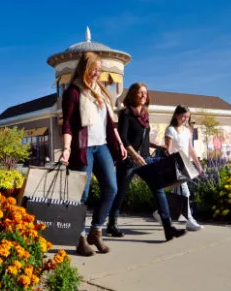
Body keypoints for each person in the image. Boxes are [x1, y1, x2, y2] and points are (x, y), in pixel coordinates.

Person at [60, 52, 127, 257]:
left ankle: (96, 230)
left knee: (111, 188)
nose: (97, 73)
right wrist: (66, 149)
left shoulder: (102, 92)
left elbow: (110, 122)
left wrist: (120, 143)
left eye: (99, 70)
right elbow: (68, 124)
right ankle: (80, 237)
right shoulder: (73, 91)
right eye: (94, 69)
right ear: (84, 68)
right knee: (83, 194)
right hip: (83, 147)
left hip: (102, 146)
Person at [107, 82, 186, 241]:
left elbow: (142, 139)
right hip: (129, 160)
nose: (144, 96)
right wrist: (134, 155)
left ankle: (168, 227)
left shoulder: (145, 115)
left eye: (145, 93)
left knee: (159, 189)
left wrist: (156, 145)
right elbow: (123, 138)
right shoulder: (126, 113)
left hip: (146, 160)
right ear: (133, 94)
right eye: (140, 93)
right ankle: (112, 224)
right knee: (120, 193)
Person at [162, 105, 205, 231]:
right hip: (175, 164)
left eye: (187, 116)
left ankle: (161, 214)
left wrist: (198, 165)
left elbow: (190, 149)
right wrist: (169, 164)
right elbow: (168, 149)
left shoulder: (187, 131)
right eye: (183, 116)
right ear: (176, 115)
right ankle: (189, 220)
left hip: (185, 164)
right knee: (185, 192)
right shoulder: (171, 130)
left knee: (176, 194)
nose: (186, 119)